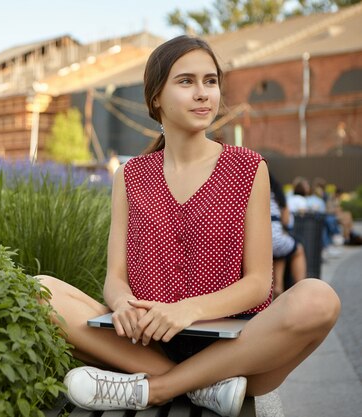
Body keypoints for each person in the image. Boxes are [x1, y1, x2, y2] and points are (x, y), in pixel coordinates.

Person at [37, 36, 340, 417]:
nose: (203, 94)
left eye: (210, 81)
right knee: (41, 291)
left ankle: (160, 388)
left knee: (319, 298)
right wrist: (123, 303)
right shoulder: (130, 175)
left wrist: (186, 310)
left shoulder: (248, 168)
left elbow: (258, 283)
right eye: (186, 82)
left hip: (239, 349)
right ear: (156, 98)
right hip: (144, 345)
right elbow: (115, 276)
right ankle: (203, 387)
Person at [270, 173, 306, 297]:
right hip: (273, 241)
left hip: (252, 242)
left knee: (280, 252)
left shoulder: (245, 188)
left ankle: (278, 287)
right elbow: (286, 220)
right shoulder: (275, 193)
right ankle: (301, 291)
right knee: (298, 249)